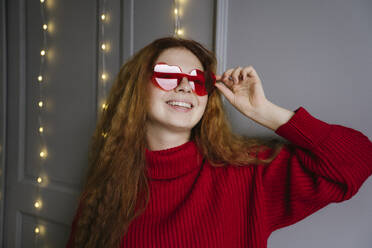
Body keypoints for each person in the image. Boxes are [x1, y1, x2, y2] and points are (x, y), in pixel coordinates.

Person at [66, 36, 372, 248]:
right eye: (168, 75)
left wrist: (263, 112)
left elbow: (359, 159)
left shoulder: (245, 173)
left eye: (198, 81)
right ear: (138, 88)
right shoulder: (108, 183)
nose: (186, 85)